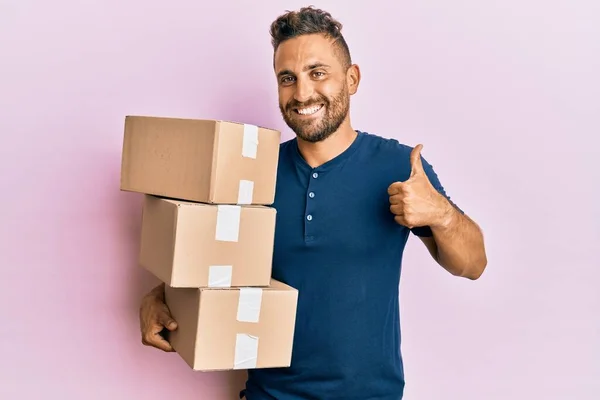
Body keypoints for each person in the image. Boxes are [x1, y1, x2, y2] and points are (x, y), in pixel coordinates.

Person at [138, 6, 488, 400]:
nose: (302, 93)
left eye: (317, 73)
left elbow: (473, 265)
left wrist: (440, 213)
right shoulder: (253, 173)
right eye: (288, 79)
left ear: (352, 79)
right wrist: (161, 296)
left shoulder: (399, 166)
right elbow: (210, 259)